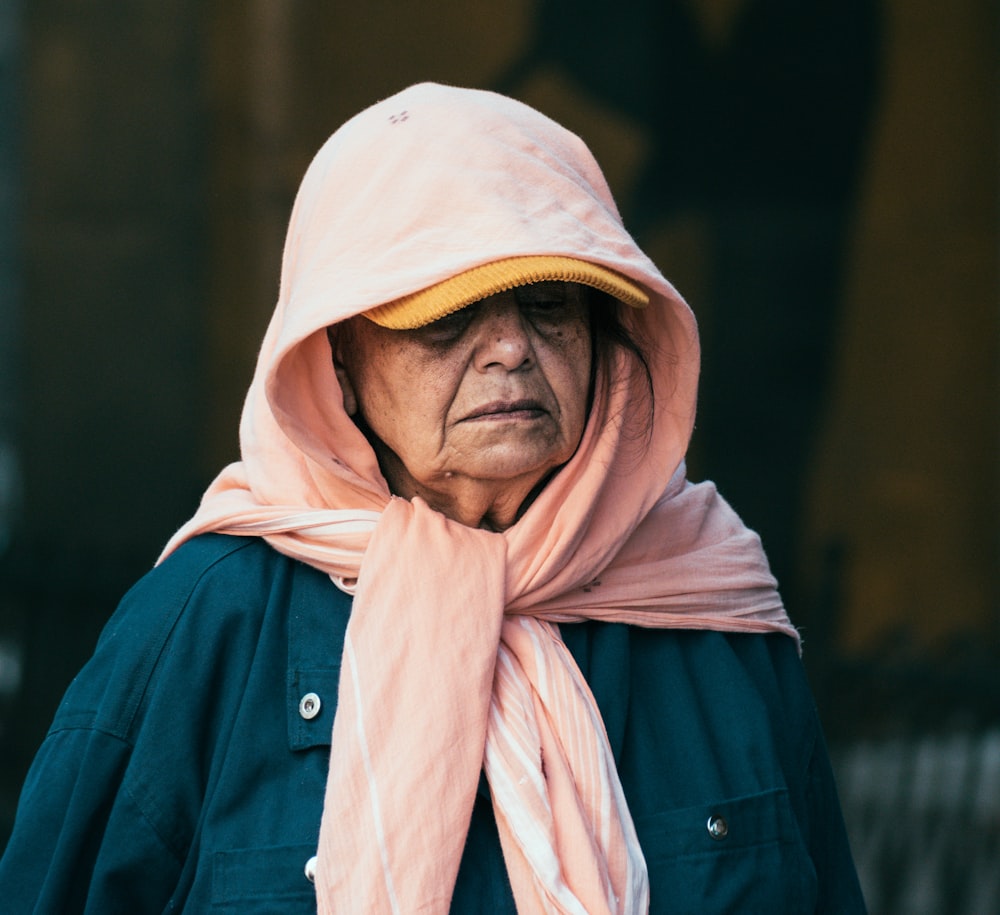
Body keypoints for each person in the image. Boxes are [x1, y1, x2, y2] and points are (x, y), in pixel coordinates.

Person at [0, 82, 865, 913]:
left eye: (549, 302)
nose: (510, 351)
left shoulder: (713, 617)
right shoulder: (205, 624)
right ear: (337, 353)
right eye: (444, 314)